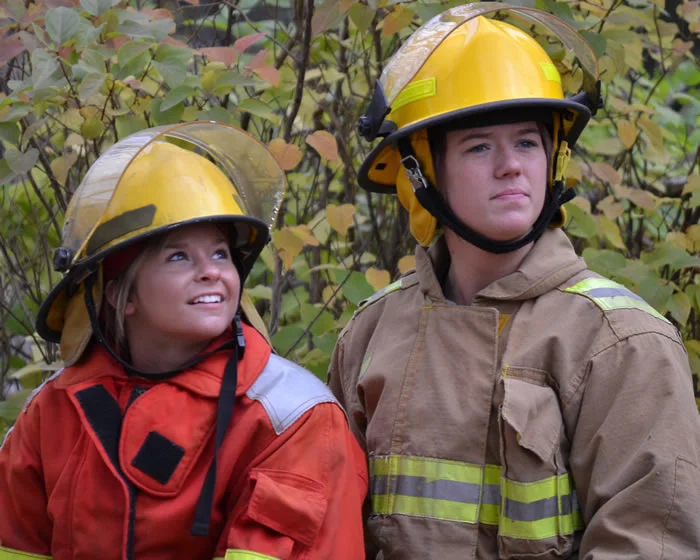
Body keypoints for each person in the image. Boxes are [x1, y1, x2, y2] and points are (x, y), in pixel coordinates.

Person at [328, 4, 700, 559]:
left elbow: (648, 542)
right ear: (421, 174)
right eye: (480, 146)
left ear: (555, 159)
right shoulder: (373, 331)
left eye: (527, 142)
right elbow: (329, 528)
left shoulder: (621, 341)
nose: (510, 166)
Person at [0, 122, 367, 560]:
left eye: (219, 253)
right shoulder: (55, 410)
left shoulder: (291, 418)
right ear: (120, 294)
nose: (211, 271)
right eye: (178, 256)